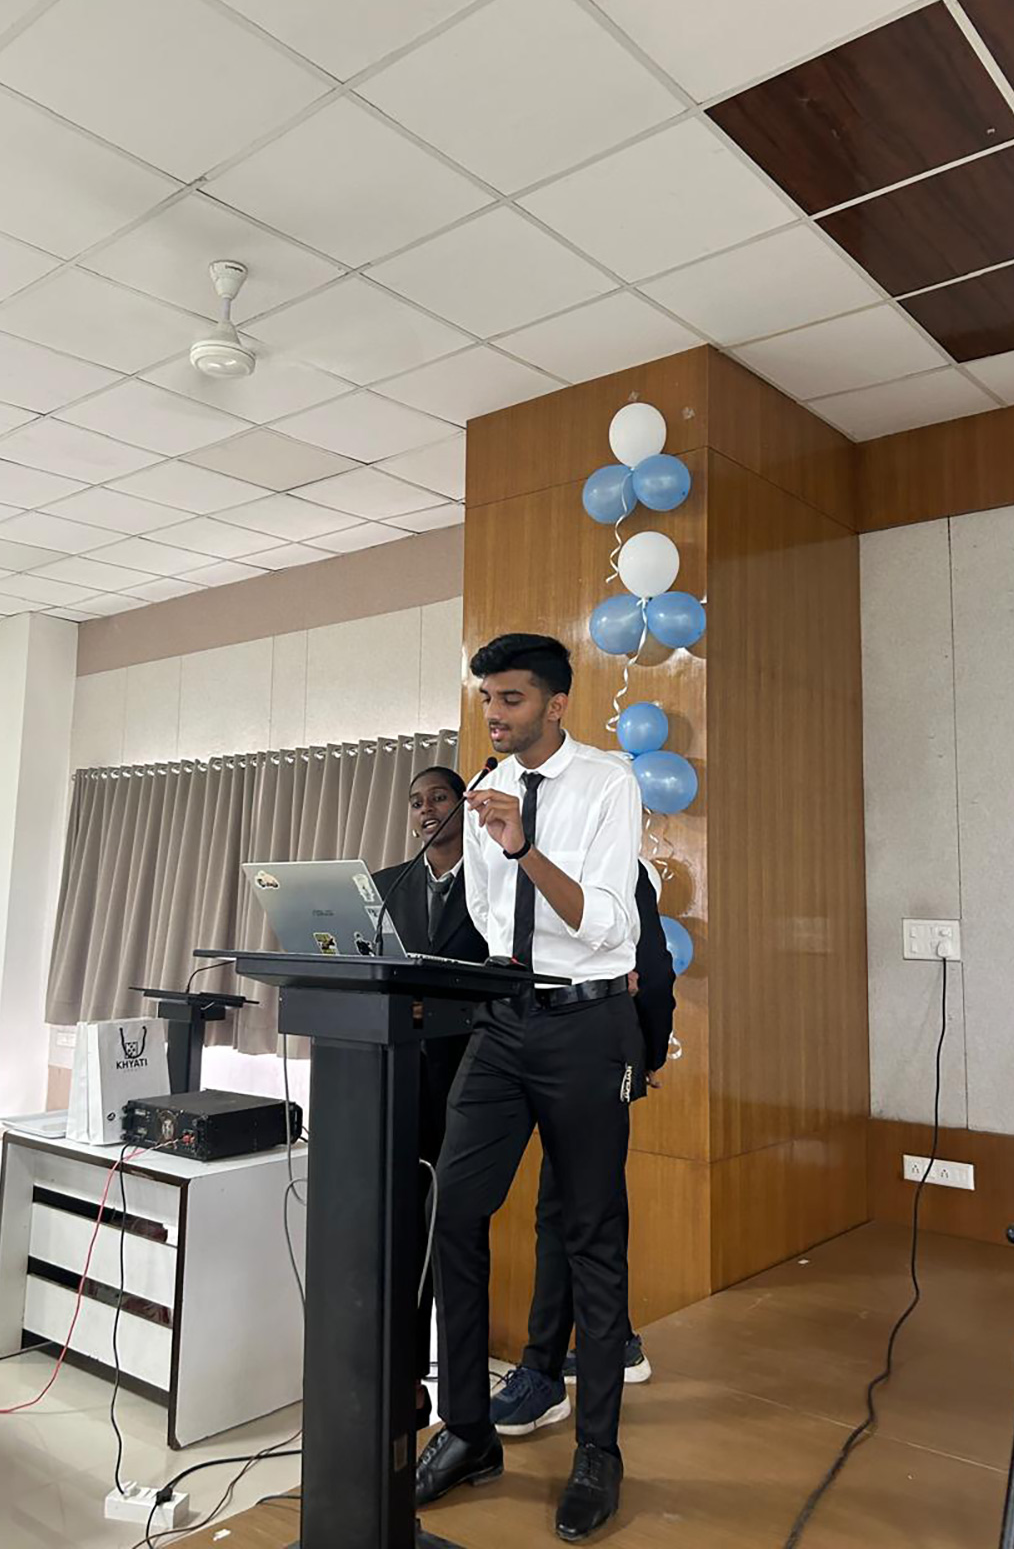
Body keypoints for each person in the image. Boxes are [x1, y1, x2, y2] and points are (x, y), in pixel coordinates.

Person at [417, 633, 644, 1543]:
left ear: (555, 704)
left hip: (588, 1025)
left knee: (591, 1232)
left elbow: (606, 924)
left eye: (510, 699)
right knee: (453, 1209)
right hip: (503, 1023)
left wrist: (523, 847)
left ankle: (598, 1452)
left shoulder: (608, 783)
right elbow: (484, 914)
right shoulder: (486, 787)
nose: (494, 715)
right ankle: (469, 1429)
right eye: (486, 700)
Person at [489, 858, 676, 1437]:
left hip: (596, 1053)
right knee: (571, 1210)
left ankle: (548, 1372)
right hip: (529, 1048)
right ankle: (608, 1345)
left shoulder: (617, 865)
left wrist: (646, 1054)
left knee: (575, 1212)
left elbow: (654, 969)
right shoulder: (509, 867)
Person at [373, 765, 488, 1432]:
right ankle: (409, 1380)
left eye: (439, 797)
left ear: (462, 806)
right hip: (402, 1080)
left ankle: (465, 1398)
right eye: (416, 801)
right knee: (406, 1231)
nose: (426, 809)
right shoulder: (386, 886)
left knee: (456, 1230)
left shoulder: (496, 881)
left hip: (475, 1077)